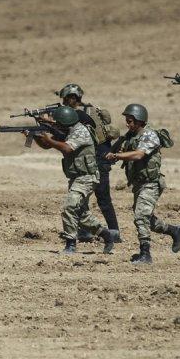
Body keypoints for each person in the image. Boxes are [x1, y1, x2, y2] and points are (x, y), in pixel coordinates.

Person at [32, 105, 118, 255]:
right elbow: (47, 145)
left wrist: (48, 138)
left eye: (58, 123)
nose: (56, 125)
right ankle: (106, 234)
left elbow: (66, 148)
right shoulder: (69, 130)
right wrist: (34, 135)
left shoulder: (80, 131)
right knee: (81, 214)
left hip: (87, 177)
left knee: (69, 207)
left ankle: (70, 243)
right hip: (77, 177)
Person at [106, 104, 180, 264]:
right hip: (139, 184)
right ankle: (175, 231)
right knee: (147, 220)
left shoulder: (149, 134)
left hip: (151, 183)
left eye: (130, 121)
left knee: (141, 216)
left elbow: (139, 155)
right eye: (126, 121)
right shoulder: (131, 135)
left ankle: (145, 253)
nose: (127, 124)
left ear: (139, 120)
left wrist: (117, 155)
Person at [54, 83, 121, 242]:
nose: (64, 102)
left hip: (97, 158)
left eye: (66, 98)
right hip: (93, 158)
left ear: (72, 98)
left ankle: (113, 233)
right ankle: (88, 232)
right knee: (85, 200)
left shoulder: (80, 115)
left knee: (102, 198)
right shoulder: (88, 111)